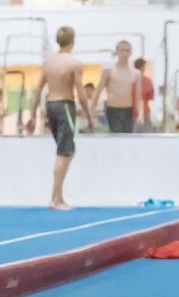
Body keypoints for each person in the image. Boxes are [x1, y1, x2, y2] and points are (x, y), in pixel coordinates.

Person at [28, 27, 95, 210]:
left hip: (51, 105)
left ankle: (59, 195)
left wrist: (33, 114)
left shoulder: (48, 63)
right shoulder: (74, 64)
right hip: (65, 104)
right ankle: (54, 198)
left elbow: (38, 90)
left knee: (67, 151)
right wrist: (89, 116)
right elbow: (81, 94)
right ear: (72, 41)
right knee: (64, 152)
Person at [91, 41, 141, 133]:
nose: (124, 53)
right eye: (122, 50)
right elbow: (98, 92)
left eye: (127, 50)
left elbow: (138, 97)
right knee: (117, 136)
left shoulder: (136, 73)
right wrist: (91, 112)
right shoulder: (108, 70)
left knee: (127, 137)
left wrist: (140, 115)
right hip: (113, 109)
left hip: (128, 110)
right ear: (117, 52)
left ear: (130, 53)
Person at [133, 57, 154, 132]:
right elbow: (150, 96)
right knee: (147, 136)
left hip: (131, 110)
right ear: (142, 67)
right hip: (144, 111)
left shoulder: (131, 79)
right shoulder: (146, 80)